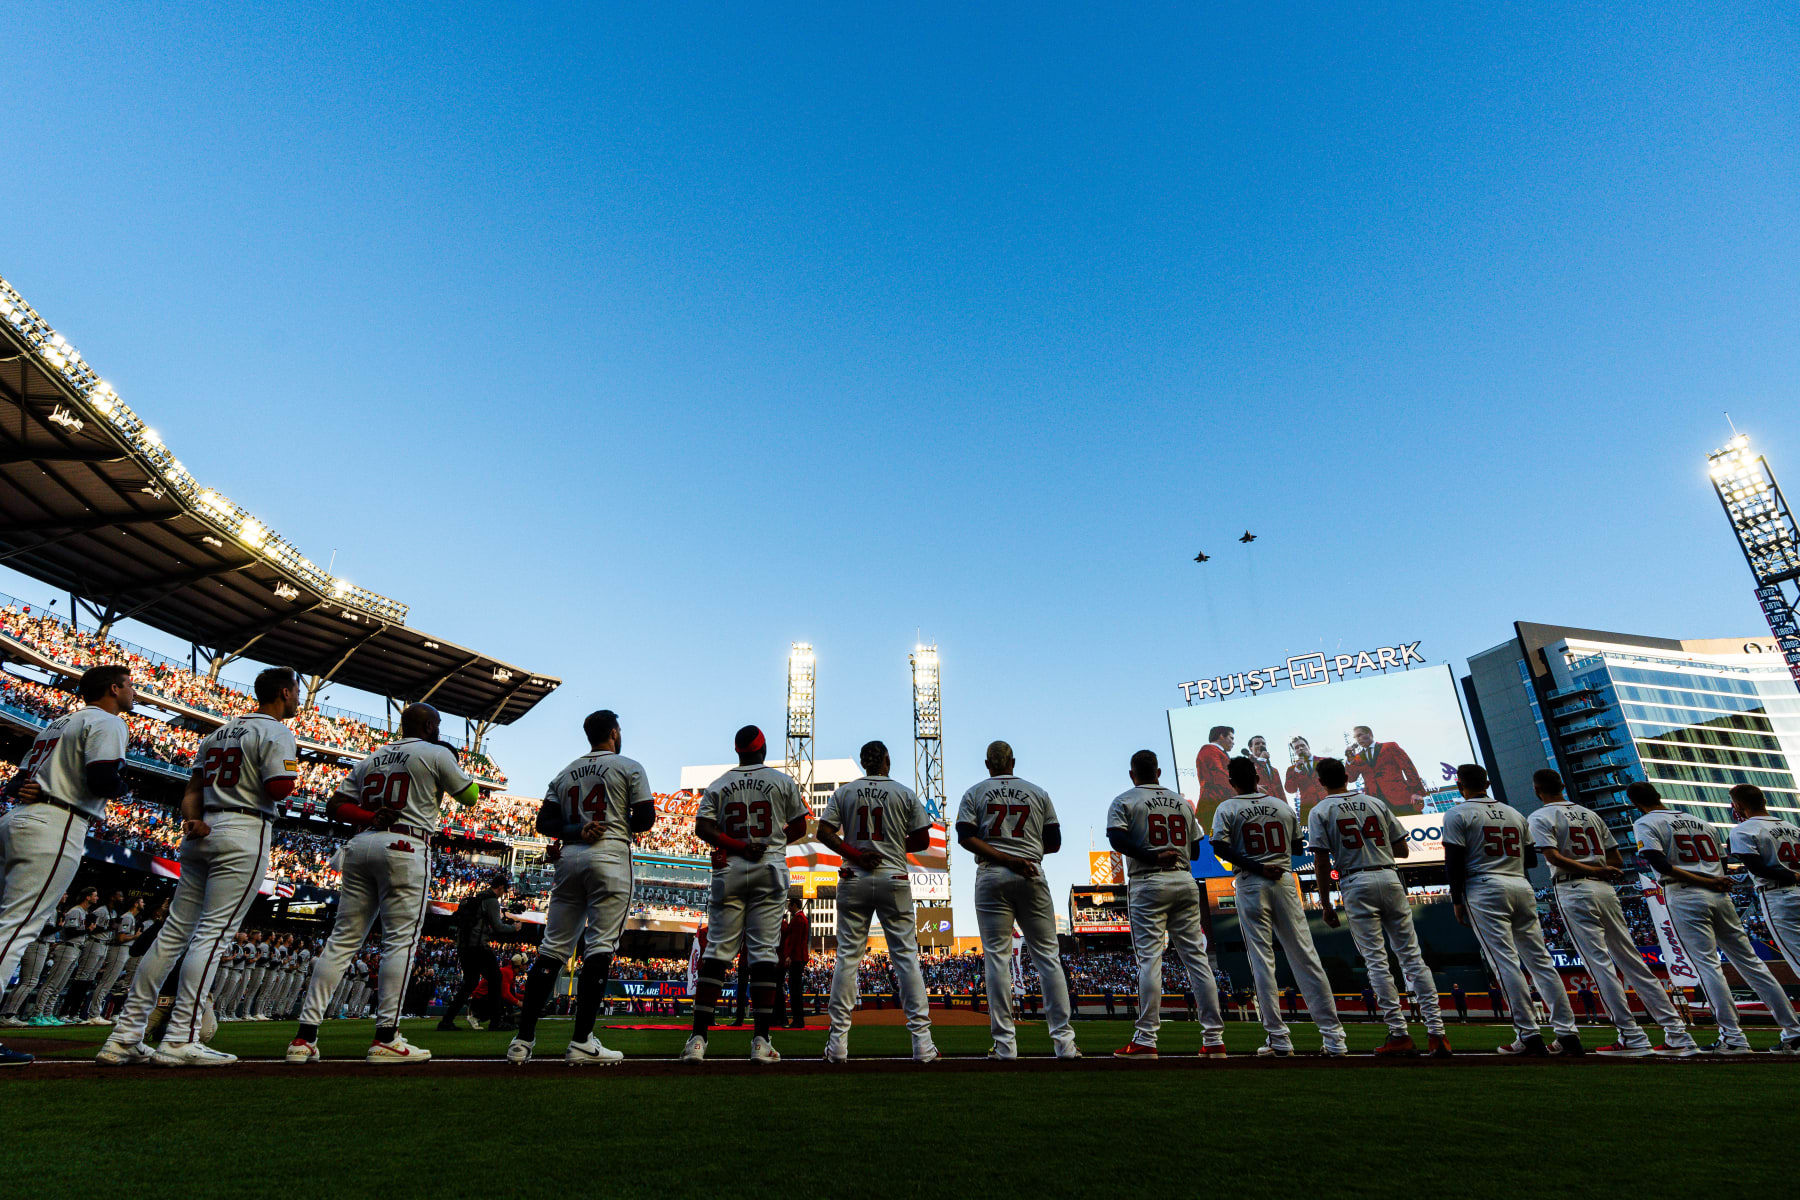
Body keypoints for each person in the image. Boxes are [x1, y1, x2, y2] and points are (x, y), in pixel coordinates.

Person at [99, 667, 299, 1068]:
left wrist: (192, 820)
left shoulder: (219, 732)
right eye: (296, 691)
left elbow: (190, 792)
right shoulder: (276, 730)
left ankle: (125, 1035)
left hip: (201, 827)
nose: (298, 698)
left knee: (173, 933)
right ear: (282, 692)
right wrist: (292, 775)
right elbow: (281, 788)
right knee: (214, 935)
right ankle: (180, 1038)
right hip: (244, 828)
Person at [287, 702, 482, 1065]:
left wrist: (370, 815)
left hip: (361, 843)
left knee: (341, 941)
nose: (439, 730)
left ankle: (304, 1036)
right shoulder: (435, 752)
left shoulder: (372, 757)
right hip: (406, 845)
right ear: (427, 726)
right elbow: (469, 797)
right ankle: (386, 1037)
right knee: (399, 943)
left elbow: (335, 805)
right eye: (436, 724)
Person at [0, 664, 134, 1066]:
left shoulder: (57, 722)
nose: (134, 693)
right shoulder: (107, 721)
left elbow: (13, 781)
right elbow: (102, 781)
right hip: (56, 822)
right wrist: (126, 787)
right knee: (15, 928)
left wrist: (19, 788)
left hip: (16, 819)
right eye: (130, 686)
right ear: (114, 689)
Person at [508, 709, 653, 1067]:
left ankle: (522, 1040)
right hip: (609, 854)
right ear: (614, 733)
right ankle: (582, 1040)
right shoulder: (628, 766)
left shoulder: (565, 771)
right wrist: (613, 822)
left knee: (552, 949)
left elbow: (544, 821)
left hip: (569, 857)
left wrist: (576, 830)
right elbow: (647, 818)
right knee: (600, 946)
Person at [1529, 769, 1698, 1057]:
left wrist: (1592, 868)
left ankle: (1631, 1035)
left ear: (1538, 789)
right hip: (1605, 889)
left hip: (1574, 887)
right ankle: (1677, 1033)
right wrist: (1599, 868)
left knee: (1599, 964)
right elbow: (1616, 858)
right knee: (1632, 961)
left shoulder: (1540, 816)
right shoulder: (1590, 814)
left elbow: (1554, 857)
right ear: (1561, 785)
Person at [1629, 781, 1800, 1053]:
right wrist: (1712, 881)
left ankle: (1733, 1036)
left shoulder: (1645, 822)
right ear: (1658, 795)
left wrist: (1704, 881)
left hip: (1685, 893)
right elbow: (1721, 866)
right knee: (1752, 963)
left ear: (1636, 803)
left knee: (1708, 966)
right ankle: (1793, 1030)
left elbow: (1660, 865)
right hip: (1720, 894)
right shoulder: (1701, 822)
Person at [682, 726, 808, 1064]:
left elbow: (703, 828)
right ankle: (761, 1041)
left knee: (718, 951)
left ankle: (697, 1040)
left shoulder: (721, 782)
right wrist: (769, 839)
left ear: (737, 750)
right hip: (768, 865)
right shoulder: (781, 781)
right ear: (763, 749)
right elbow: (800, 827)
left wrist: (739, 845)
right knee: (764, 953)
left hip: (730, 868)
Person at [1309, 756, 1450, 1057]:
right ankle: (1437, 1033)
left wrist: (1325, 904)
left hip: (1355, 881)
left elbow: (1321, 860)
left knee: (1376, 962)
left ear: (1320, 781)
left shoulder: (1321, 809)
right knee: (1413, 958)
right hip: (1388, 875)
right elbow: (1401, 849)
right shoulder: (1375, 802)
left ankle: (1399, 1033)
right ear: (1347, 775)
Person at [1442, 763, 1580, 1057]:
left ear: (1459, 786)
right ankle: (1568, 1034)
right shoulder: (1514, 813)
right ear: (1488, 783)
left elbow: (1453, 861)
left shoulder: (1458, 813)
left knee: (1504, 962)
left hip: (1484, 886)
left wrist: (1456, 898)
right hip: (1520, 883)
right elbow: (1530, 860)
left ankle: (1528, 1036)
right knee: (1541, 961)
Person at [1212, 756, 1346, 1056]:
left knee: (1262, 960)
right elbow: (1298, 847)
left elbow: (1219, 845)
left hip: (1250, 881)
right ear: (1258, 775)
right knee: (1306, 957)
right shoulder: (1281, 806)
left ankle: (1279, 1038)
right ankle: (1334, 1038)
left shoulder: (1228, 807)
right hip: (1284, 879)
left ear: (1231, 781)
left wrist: (1256, 865)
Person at [956, 740, 1080, 1061]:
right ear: (1013, 761)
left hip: (992, 874)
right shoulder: (1038, 792)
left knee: (997, 960)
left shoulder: (975, 792)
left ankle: (1005, 1047)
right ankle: (1065, 1045)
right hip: (1031, 872)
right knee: (1048, 959)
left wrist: (1004, 856)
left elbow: (965, 837)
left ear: (988, 764)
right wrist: (1023, 853)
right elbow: (1054, 842)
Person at [815, 740, 938, 1062]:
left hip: (854, 876)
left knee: (847, 959)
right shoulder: (903, 792)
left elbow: (824, 833)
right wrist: (893, 846)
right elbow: (923, 839)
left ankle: (837, 1044)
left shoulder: (846, 792)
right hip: (893, 876)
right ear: (886, 760)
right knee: (906, 959)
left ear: (862, 762)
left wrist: (856, 853)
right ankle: (922, 1044)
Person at [1104, 749, 1226, 1058]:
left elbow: (1116, 840)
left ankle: (1146, 1038)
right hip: (1184, 880)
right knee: (1197, 960)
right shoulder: (1182, 803)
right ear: (1158, 773)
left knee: (1150, 959)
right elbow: (1198, 851)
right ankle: (1214, 1040)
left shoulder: (1125, 800)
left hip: (1148, 880)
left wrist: (1152, 854)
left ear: (1133, 775)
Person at [1726, 783, 1800, 979]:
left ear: (1739, 805)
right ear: (1764, 801)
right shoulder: (1792, 827)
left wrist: (1791, 876)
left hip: (1778, 895)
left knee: (1797, 957)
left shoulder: (1743, 830)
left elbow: (1756, 867)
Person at [438, 873, 519, 1029]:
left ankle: (446, 1021)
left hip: (464, 947)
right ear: (500, 887)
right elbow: (498, 927)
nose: (503, 894)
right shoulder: (491, 901)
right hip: (478, 947)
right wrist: (514, 928)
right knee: (496, 978)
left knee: (470, 983)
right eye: (504, 891)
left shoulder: (478, 898)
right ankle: (496, 1021)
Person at [1344, 726, 1428, 812]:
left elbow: (1409, 768)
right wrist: (1350, 760)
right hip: (1376, 804)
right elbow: (1351, 778)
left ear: (1369, 733)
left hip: (1400, 798)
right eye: (1355, 737)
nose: (1358, 739)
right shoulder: (1357, 758)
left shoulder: (1390, 747)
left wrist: (1417, 792)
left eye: (1360, 735)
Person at [774, 896, 810, 1028]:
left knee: (795, 990)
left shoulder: (799, 919)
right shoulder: (800, 918)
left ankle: (798, 1020)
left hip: (797, 957)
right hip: (798, 956)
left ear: (795, 905)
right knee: (795, 989)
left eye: (790, 906)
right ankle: (797, 1020)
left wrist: (789, 956)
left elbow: (795, 940)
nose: (788, 909)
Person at [1283, 737, 1328, 818]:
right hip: (1308, 808)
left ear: (1308, 746)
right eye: (1296, 747)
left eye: (1302, 745)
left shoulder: (1325, 761)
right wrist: (1297, 770)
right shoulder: (1292, 770)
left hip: (1329, 802)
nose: (1300, 748)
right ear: (1294, 751)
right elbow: (1290, 789)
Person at [1193, 726, 1234, 813]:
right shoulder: (1209, 749)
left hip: (1222, 804)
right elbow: (1218, 775)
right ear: (1222, 736)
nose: (1233, 743)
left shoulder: (1218, 752)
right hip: (1213, 805)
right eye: (1231, 738)